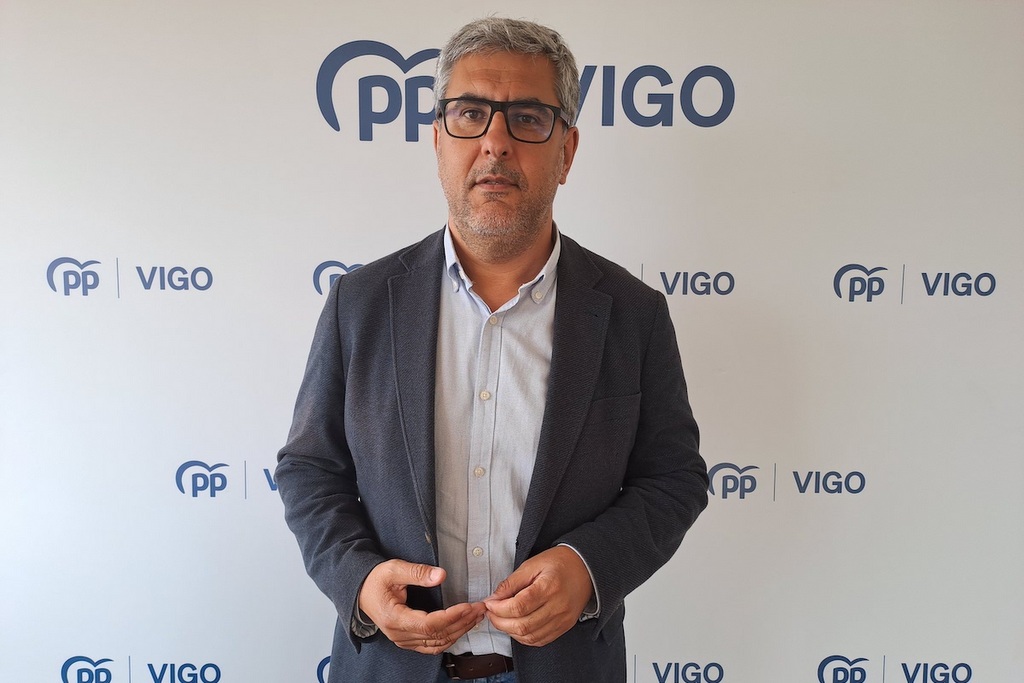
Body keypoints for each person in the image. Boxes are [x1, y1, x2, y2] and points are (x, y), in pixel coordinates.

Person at [276, 17, 708, 683]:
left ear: (567, 150)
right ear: (437, 140)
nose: (495, 142)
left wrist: (588, 566)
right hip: (392, 668)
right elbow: (310, 469)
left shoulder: (633, 314)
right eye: (470, 114)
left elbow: (674, 478)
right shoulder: (358, 304)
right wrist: (359, 581)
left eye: (528, 118)